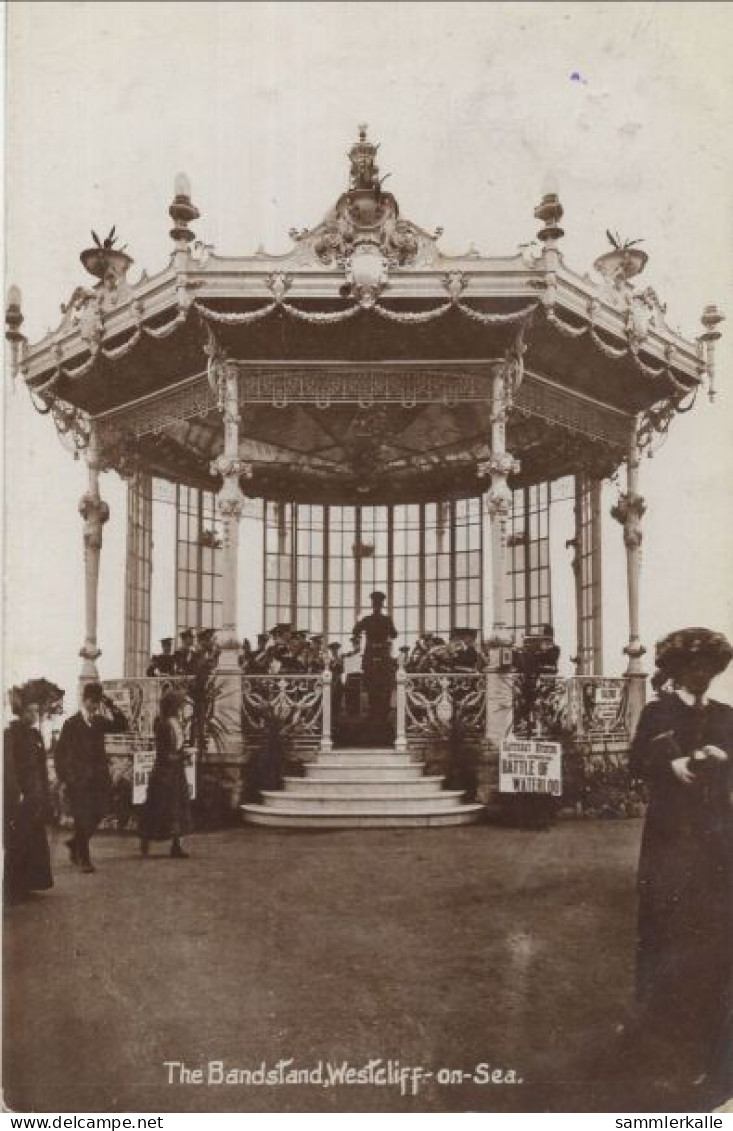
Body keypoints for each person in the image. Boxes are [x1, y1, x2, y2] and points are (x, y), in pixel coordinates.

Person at [628, 626, 733, 1094]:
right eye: (692, 666)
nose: (701, 674)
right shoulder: (657, 713)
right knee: (663, 926)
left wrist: (720, 757)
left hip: (715, 840)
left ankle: (704, 1044)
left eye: (709, 667)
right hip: (670, 838)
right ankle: (653, 1030)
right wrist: (671, 762)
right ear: (675, 670)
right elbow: (638, 761)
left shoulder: (727, 716)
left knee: (712, 934)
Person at [53, 682, 128, 873]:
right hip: (79, 781)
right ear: (84, 699)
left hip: (99, 780)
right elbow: (60, 753)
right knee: (82, 818)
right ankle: (84, 858)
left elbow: (122, 725)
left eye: (97, 701)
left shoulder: (99, 722)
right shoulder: (71, 724)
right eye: (91, 701)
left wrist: (110, 704)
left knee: (100, 812)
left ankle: (75, 843)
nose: (94, 705)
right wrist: (67, 777)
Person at [3, 684, 54, 901]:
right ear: (21, 712)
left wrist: (45, 791)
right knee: (19, 838)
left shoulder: (35, 735)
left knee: (34, 838)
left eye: (36, 711)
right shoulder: (10, 734)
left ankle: (31, 881)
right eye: (31, 711)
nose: (34, 715)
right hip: (21, 794)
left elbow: (41, 766)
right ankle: (14, 885)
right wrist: (16, 792)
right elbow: (9, 766)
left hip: (36, 793)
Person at [139, 689, 192, 859]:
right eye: (179, 703)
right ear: (172, 705)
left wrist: (183, 752)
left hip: (176, 771)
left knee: (178, 808)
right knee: (161, 808)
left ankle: (176, 845)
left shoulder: (176, 722)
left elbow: (177, 745)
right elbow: (163, 753)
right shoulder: (162, 724)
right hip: (165, 773)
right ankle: (146, 837)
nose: (182, 706)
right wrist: (182, 755)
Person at [352, 591, 398, 729]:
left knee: (373, 684)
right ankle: (381, 713)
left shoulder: (367, 620)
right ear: (381, 605)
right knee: (382, 684)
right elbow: (395, 634)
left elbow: (355, 631)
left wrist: (359, 622)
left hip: (371, 654)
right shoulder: (387, 619)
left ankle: (375, 713)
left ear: (373, 605)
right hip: (382, 654)